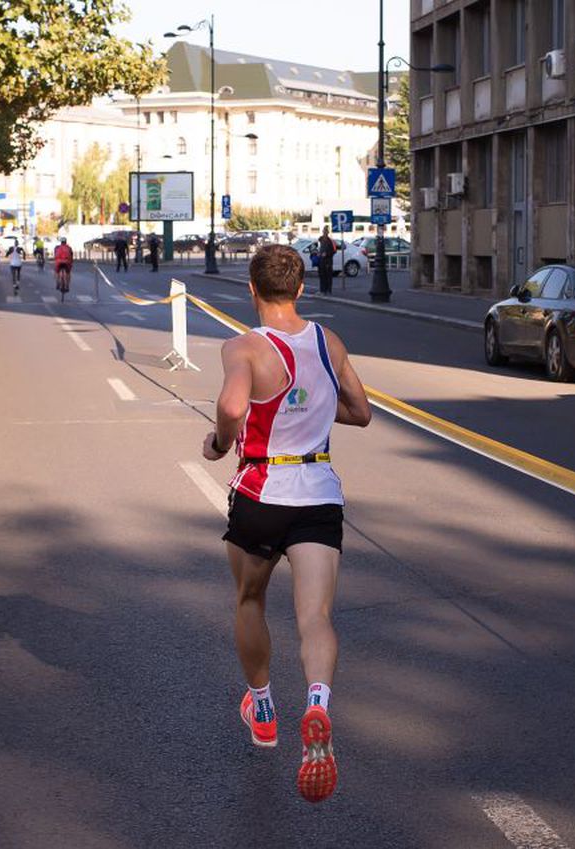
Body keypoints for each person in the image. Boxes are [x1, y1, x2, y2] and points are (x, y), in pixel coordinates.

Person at [201, 244, 372, 804]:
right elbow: (361, 411)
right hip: (319, 491)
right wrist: (315, 409)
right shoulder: (329, 341)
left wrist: (217, 443)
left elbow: (231, 409)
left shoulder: (244, 347)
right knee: (315, 616)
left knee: (250, 599)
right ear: (299, 289)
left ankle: (266, 706)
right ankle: (318, 703)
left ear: (252, 290)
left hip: (263, 490)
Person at [317, 226, 336, 295]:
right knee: (322, 276)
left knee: (328, 276)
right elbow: (319, 248)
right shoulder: (321, 240)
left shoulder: (330, 241)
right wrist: (318, 253)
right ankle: (322, 290)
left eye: (325, 232)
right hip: (321, 261)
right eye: (323, 231)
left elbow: (334, 251)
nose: (324, 233)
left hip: (328, 261)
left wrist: (327, 254)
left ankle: (328, 290)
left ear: (327, 233)